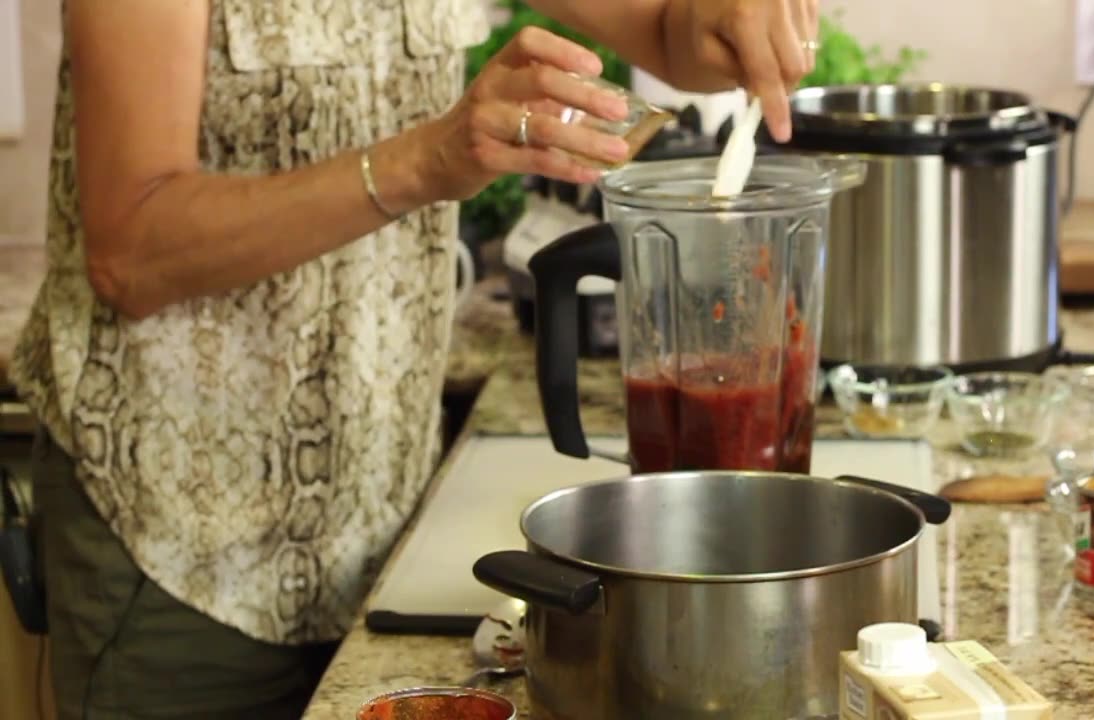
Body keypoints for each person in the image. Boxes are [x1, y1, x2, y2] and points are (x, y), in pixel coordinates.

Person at [11, 0, 819, 716]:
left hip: (381, 519)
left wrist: (724, 18)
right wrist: (429, 162)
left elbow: (669, 29)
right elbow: (132, 253)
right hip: (179, 544)